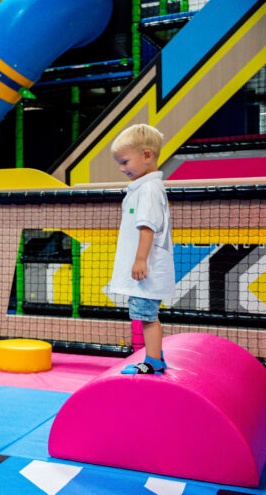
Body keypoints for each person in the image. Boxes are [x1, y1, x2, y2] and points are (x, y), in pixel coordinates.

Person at [110, 124, 175, 375]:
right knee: (146, 315)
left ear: (147, 155)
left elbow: (147, 227)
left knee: (148, 317)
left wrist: (140, 260)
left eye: (125, 162)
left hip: (148, 268)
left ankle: (152, 361)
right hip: (146, 267)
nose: (121, 168)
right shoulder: (143, 187)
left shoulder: (148, 189)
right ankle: (156, 356)